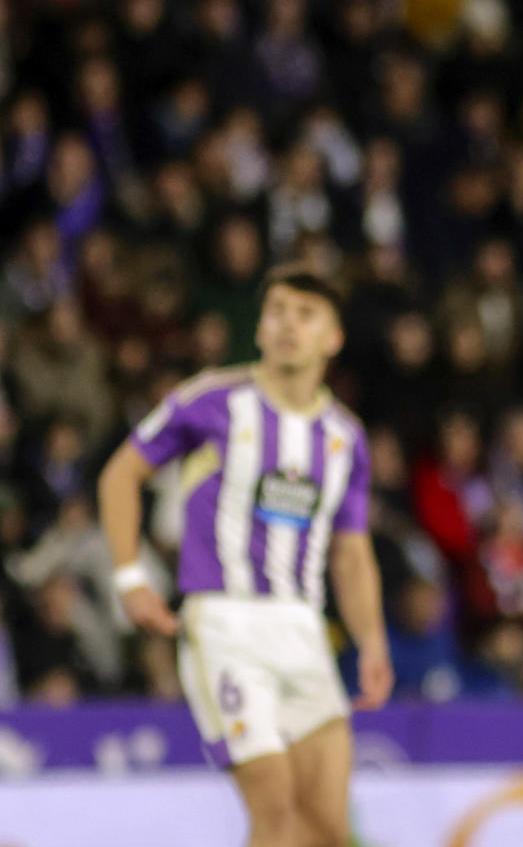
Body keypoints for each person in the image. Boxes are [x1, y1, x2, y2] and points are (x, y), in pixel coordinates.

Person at [98, 267, 390, 847]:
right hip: (224, 624)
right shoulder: (211, 400)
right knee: (275, 810)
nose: (288, 325)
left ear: (332, 338)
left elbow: (351, 551)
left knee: (329, 829)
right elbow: (121, 473)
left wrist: (373, 639)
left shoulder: (345, 437)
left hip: (303, 629)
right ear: (258, 328)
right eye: (277, 311)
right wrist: (130, 578)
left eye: (305, 314)